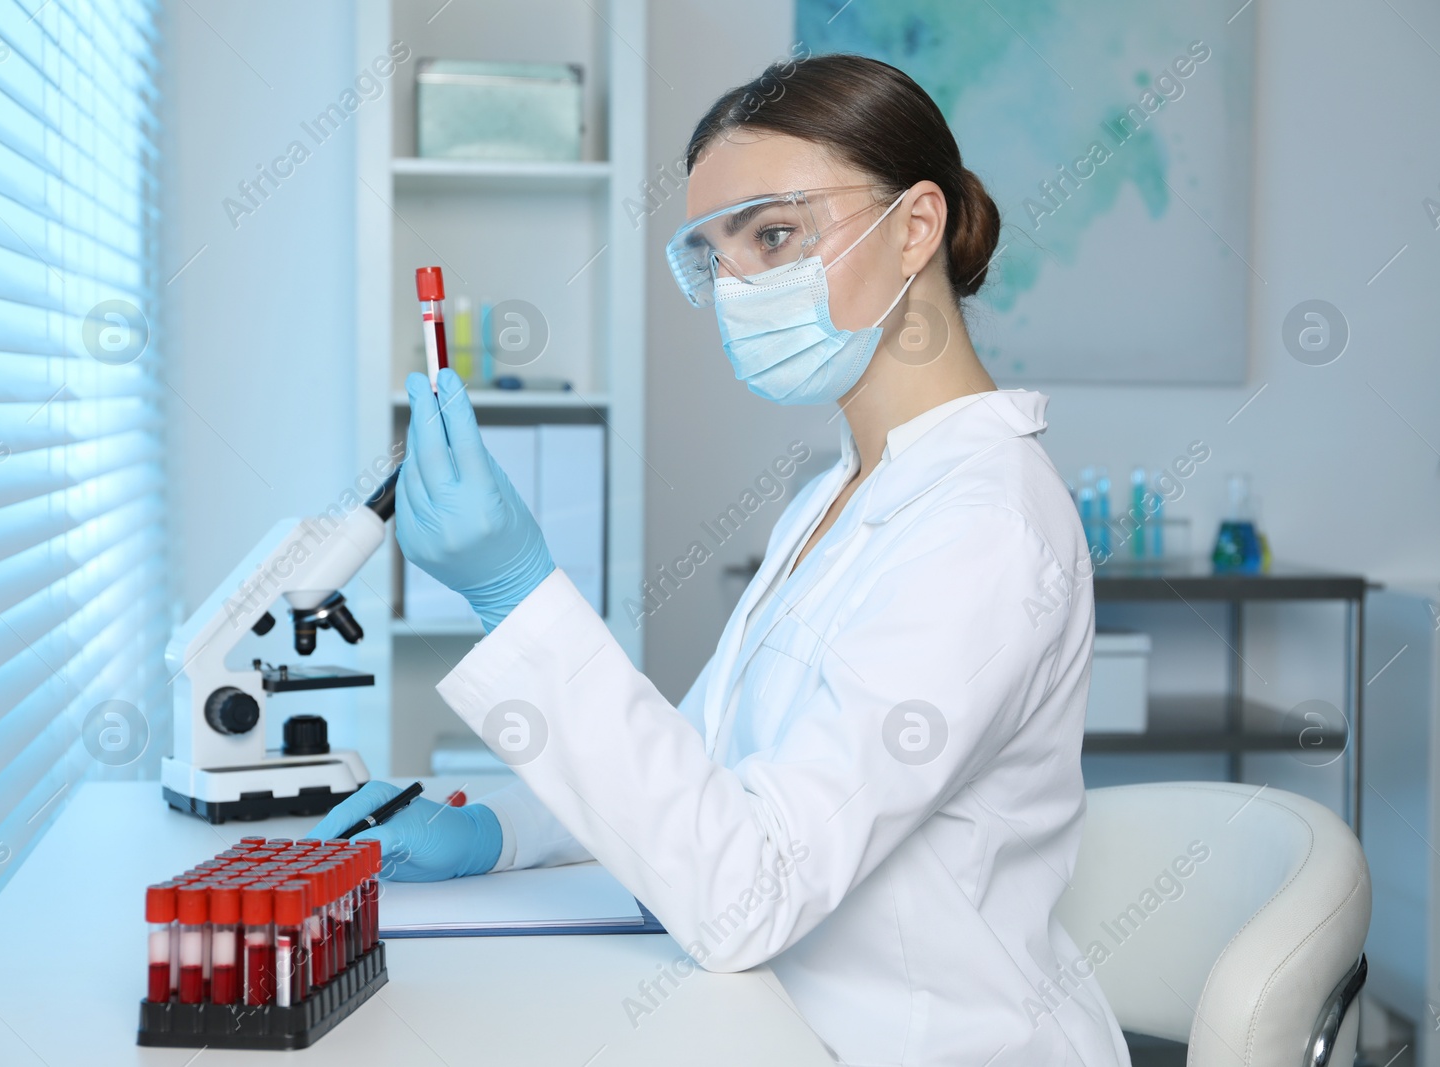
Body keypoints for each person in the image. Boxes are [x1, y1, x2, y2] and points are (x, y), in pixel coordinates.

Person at [314, 53, 1130, 1067]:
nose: (738, 284)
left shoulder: (987, 527)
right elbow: (700, 769)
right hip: (772, 1022)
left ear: (916, 227)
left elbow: (745, 894)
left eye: (774, 234)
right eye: (713, 253)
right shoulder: (837, 495)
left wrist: (513, 594)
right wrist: (496, 830)